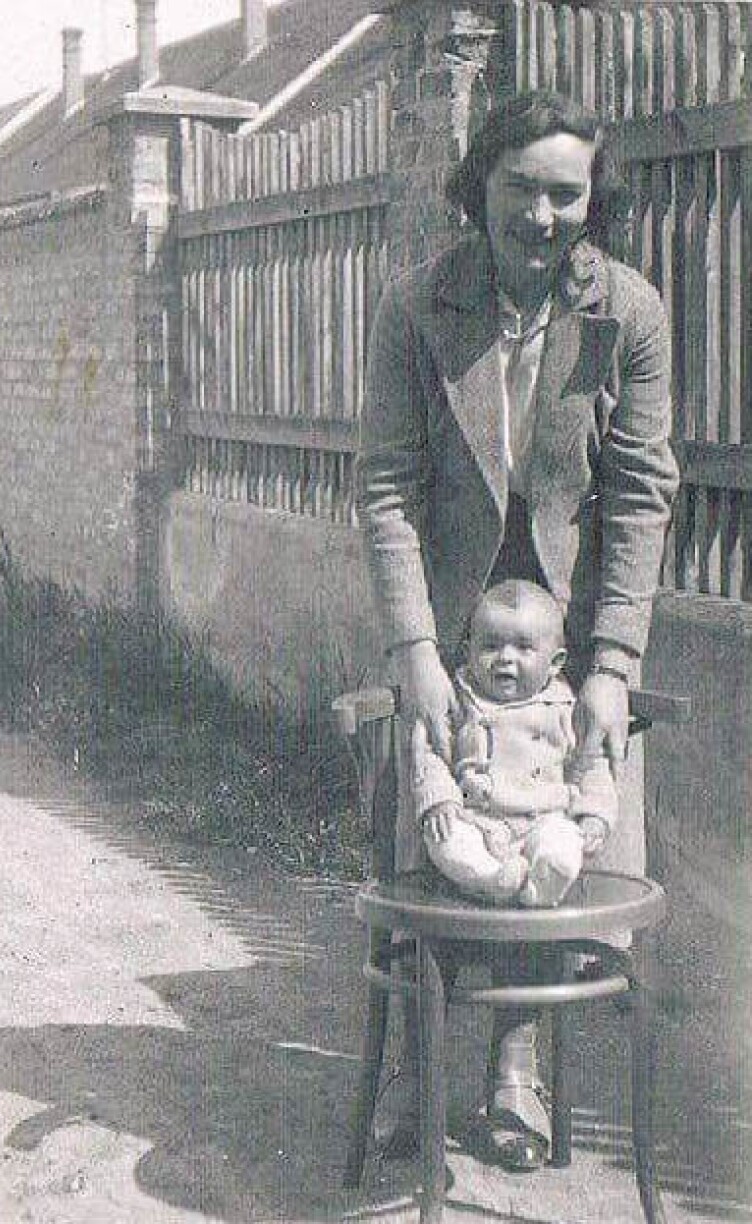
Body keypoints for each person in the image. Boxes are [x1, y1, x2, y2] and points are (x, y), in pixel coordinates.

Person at [355, 89, 679, 1170]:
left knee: (548, 846)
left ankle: (515, 1074)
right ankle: (417, 1069)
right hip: (449, 627)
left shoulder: (626, 314)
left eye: (563, 193)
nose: (540, 216)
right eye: (518, 188)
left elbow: (637, 495)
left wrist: (611, 666)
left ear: (592, 202)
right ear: (477, 186)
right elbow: (390, 485)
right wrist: (414, 656)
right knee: (434, 830)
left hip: (571, 636)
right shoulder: (414, 306)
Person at [411, 579, 617, 907]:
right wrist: (439, 800)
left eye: (523, 647)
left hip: (545, 816)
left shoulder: (565, 707)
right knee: (447, 842)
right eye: (491, 645)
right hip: (475, 817)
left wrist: (595, 813)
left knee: (563, 845)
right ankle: (492, 879)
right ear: (468, 651)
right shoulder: (459, 699)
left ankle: (542, 886)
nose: (505, 658)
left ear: (555, 663)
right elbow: (431, 753)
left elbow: (591, 761)